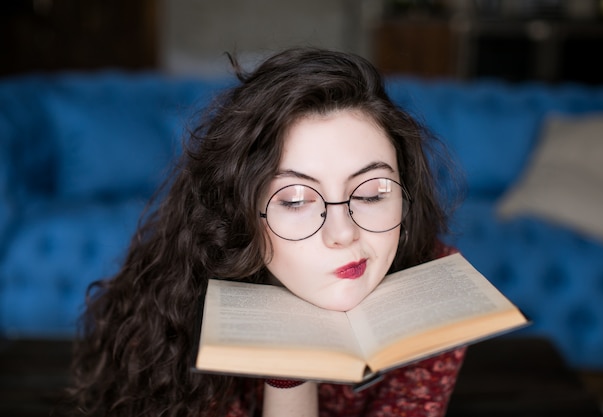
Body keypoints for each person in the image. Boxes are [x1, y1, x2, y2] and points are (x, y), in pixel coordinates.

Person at [64, 47, 465, 417]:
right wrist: (288, 374)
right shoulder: (186, 304)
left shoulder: (435, 284)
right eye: (295, 200)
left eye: (374, 193)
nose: (343, 234)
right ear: (241, 213)